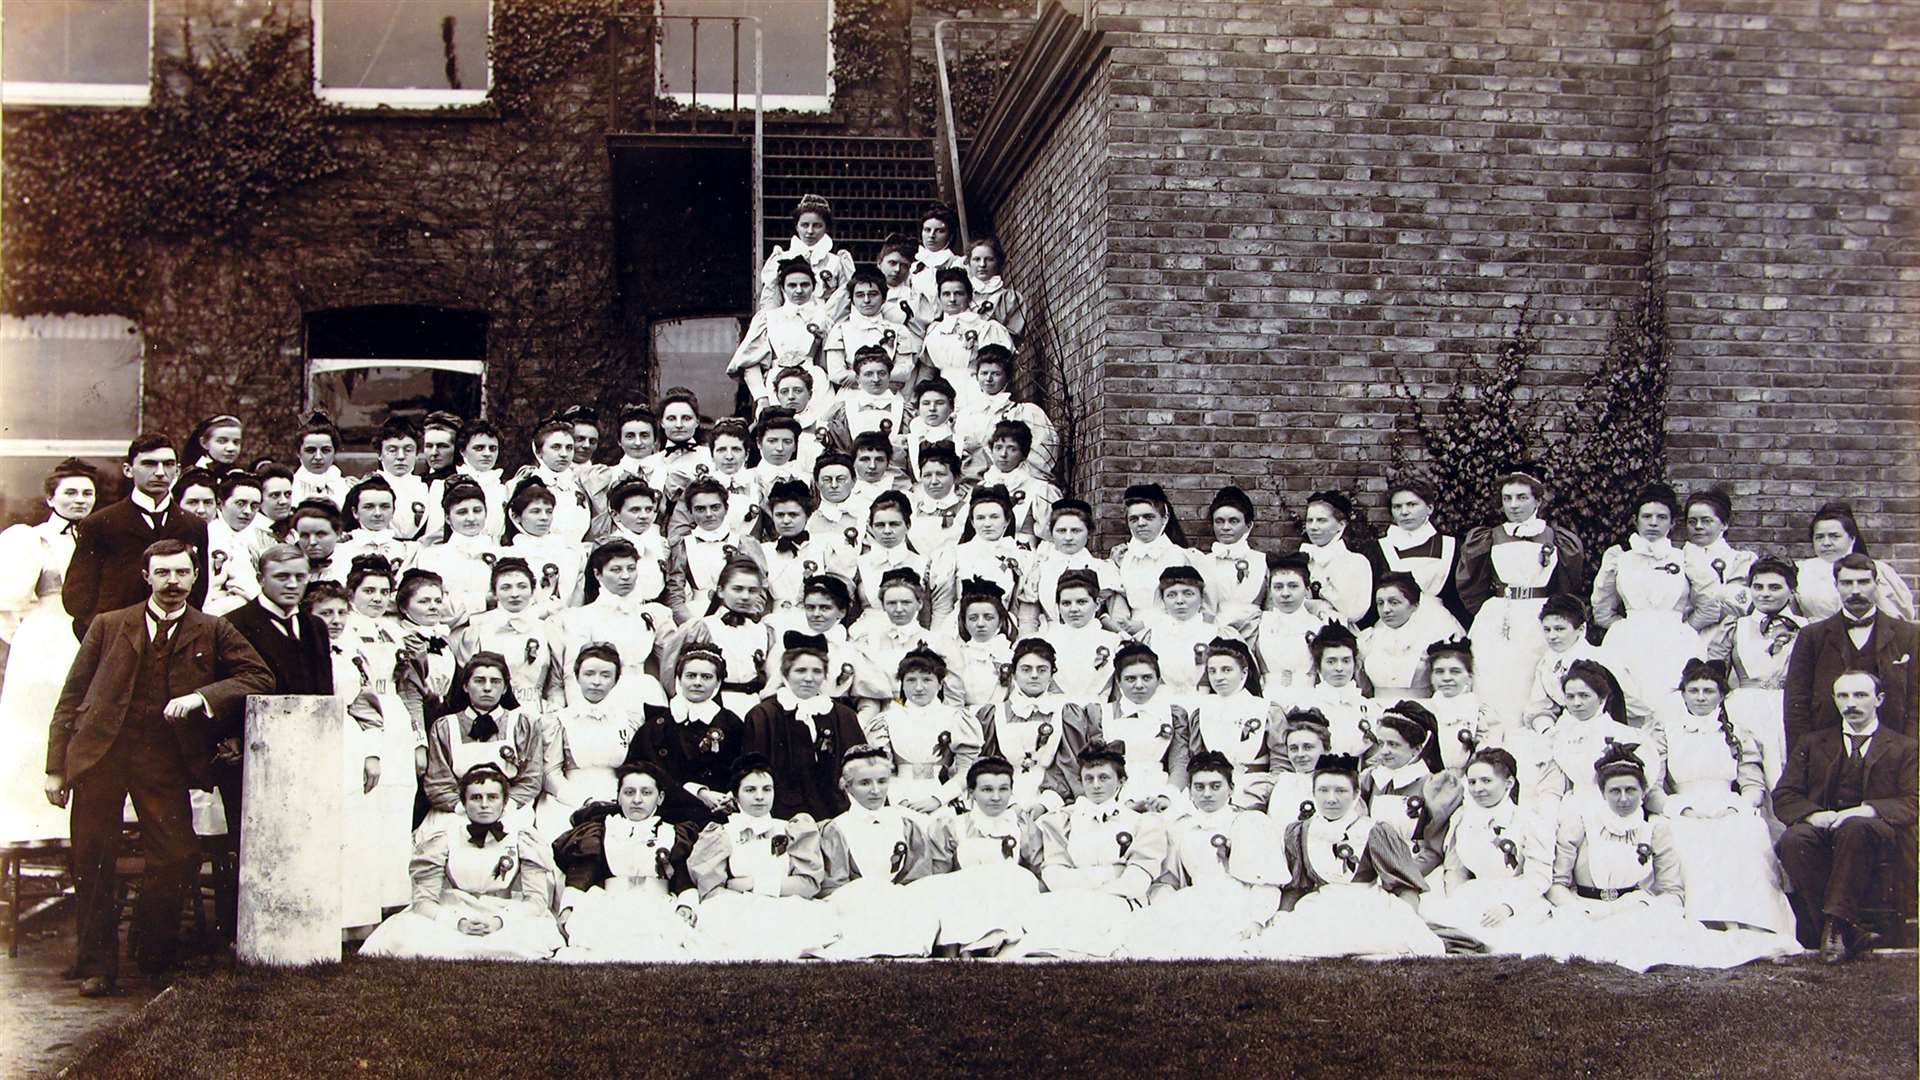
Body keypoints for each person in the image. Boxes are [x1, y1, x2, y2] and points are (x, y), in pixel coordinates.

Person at [45, 539, 274, 995]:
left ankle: (152, 949)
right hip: (100, 756)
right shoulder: (109, 625)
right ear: (146, 577)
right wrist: (56, 767)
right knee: (92, 857)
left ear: (194, 577)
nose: (173, 583)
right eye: (164, 573)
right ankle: (96, 965)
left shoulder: (213, 629)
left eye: (182, 573)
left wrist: (202, 697)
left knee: (177, 854)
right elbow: (71, 697)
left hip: (163, 757)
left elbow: (259, 676)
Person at [1544, 744, 1793, 971]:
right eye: (1614, 791)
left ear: (1643, 793)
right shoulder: (1580, 825)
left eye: (1631, 790)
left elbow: (1672, 891)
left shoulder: (1654, 830)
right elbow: (1558, 883)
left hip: (1633, 910)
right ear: (1602, 793)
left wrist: (1642, 905)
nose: (1623, 799)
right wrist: (1577, 910)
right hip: (1586, 909)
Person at [1773, 670, 1918, 961]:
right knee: (1793, 839)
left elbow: (1914, 800)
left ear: (1879, 699)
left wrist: (1869, 809)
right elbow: (1785, 794)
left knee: (1855, 827)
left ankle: (1835, 928)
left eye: (1860, 695)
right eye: (1843, 696)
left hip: (1882, 832)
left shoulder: (1905, 747)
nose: (1851, 703)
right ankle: (1846, 930)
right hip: (1825, 826)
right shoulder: (1813, 743)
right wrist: (1814, 816)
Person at [1648, 658, 1796, 936]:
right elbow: (1653, 787)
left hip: (1728, 805)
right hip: (1682, 807)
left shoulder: (1737, 731)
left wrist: (1740, 805)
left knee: (1746, 832)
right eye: (1694, 691)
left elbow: (1752, 782)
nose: (1701, 697)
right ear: (1683, 694)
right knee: (1685, 836)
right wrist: (1677, 807)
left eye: (1709, 691)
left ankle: (1749, 920)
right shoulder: (1666, 730)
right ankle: (1704, 920)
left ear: (1721, 695)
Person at [359, 764, 564, 961]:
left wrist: (500, 921)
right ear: (464, 803)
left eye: (492, 797)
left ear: (504, 802)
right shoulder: (442, 838)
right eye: (476, 798)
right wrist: (458, 922)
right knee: (409, 933)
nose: (484, 804)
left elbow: (536, 901)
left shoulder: (523, 838)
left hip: (502, 912)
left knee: (535, 932)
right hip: (455, 910)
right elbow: (423, 901)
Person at [1251, 751, 1443, 959]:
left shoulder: (1375, 831)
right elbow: (1296, 886)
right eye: (1323, 790)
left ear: (1356, 793)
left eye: (1340, 791)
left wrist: (1407, 922)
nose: (1331, 799)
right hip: (1321, 904)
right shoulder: (1299, 831)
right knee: (1287, 942)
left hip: (1368, 904)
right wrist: (1282, 917)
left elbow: (1405, 886)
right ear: (1313, 793)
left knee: (1391, 941)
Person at [0, 458, 98, 843]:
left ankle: (77, 833)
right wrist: (34, 632)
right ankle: (31, 831)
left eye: (87, 493)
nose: (79, 500)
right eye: (70, 492)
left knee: (82, 725)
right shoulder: (30, 539)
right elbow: (10, 600)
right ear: (50, 496)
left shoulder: (100, 537)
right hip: (43, 638)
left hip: (88, 638)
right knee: (37, 726)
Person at [1003, 741, 1169, 958]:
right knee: (1041, 911)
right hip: (1071, 897)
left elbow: (1136, 882)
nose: (1096, 785)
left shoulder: (1144, 823)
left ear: (1122, 781)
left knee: (1092, 915)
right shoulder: (1061, 820)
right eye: (1088, 779)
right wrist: (1112, 872)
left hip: (1119, 900)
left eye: (1104, 778)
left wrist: (1082, 883)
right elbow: (1054, 875)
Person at [1126, 751, 1290, 959]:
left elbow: (1266, 883)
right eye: (1199, 787)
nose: (1207, 794)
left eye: (1215, 786)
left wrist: (1256, 920)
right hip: (1198, 898)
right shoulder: (1181, 827)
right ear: (1191, 792)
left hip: (1239, 901)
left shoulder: (1249, 823)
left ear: (1231, 789)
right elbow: (1170, 880)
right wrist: (1166, 904)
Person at [1455, 464, 1585, 726]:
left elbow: (1568, 585)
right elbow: (1472, 584)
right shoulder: (1488, 538)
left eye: (1522, 497)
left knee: (1533, 678)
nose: (1513, 505)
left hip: (1540, 618)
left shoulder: (1557, 538)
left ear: (1538, 500)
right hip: (1499, 616)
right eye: (1507, 498)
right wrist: (1496, 610)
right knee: (1495, 679)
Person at [685, 754, 839, 960]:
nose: (760, 797)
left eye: (767, 789)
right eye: (750, 790)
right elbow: (712, 891)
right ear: (736, 796)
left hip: (787, 906)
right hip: (736, 908)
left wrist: (751, 884)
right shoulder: (722, 833)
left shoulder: (791, 828)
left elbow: (808, 884)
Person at [549, 761, 704, 962]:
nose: (637, 800)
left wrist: (686, 905)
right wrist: (569, 906)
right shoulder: (602, 832)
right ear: (619, 797)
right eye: (629, 793)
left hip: (656, 904)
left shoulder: (672, 834)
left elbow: (682, 878)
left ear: (660, 798)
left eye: (646, 793)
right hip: (612, 904)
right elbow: (582, 875)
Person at [64, 434, 210, 638]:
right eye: (149, 464)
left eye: (168, 464)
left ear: (177, 470)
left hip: (174, 641)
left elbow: (198, 590)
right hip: (116, 640)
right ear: (128, 470)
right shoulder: (100, 524)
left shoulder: (194, 525)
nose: (160, 473)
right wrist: (102, 638)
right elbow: (77, 597)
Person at [1590, 483, 1719, 698]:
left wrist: (1684, 630)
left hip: (1674, 641)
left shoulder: (1685, 557)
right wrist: (1624, 628)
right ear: (1636, 520)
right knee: (1629, 695)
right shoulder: (1619, 558)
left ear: (1672, 522)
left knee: (1668, 695)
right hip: (1628, 641)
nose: (1653, 522)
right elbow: (1602, 606)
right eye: (1647, 516)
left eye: (1661, 517)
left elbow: (1709, 605)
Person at [1420, 748, 1553, 954]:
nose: (1478, 788)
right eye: (1472, 782)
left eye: (1486, 781)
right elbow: (1457, 869)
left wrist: (1508, 907)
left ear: (1508, 783)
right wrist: (1458, 899)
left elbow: (1539, 876)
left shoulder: (1529, 820)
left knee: (1506, 939)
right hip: (1475, 892)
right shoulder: (1463, 818)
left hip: (1517, 896)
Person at [1782, 551, 1919, 750]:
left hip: (1893, 748)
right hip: (1828, 748)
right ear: (1836, 586)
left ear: (1876, 585)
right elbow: (1797, 700)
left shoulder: (1907, 634)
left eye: (1863, 582)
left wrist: (1912, 748)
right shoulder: (1812, 636)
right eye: (1847, 583)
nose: (1855, 590)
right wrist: (1803, 753)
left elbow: (1916, 699)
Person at [814, 744, 941, 958]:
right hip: (854, 902)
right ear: (847, 786)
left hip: (899, 899)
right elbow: (835, 885)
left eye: (882, 782)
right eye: (865, 783)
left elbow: (917, 877)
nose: (875, 790)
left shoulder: (905, 825)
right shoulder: (836, 829)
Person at [911, 756, 1045, 956]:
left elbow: (1038, 871)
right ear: (972, 793)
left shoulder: (1022, 827)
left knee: (1019, 878)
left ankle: (996, 941)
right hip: (966, 900)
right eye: (987, 790)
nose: (996, 797)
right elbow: (939, 875)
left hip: (1008, 898)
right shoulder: (951, 826)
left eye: (1003, 789)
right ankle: (962, 944)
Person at [741, 631, 868, 820]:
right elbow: (752, 773)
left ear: (825, 675)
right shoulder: (763, 716)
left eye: (817, 671)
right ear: (785, 674)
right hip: (781, 814)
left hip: (836, 812)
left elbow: (863, 768)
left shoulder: (844, 716)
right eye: (800, 671)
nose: (809, 678)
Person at [420, 652, 545, 834]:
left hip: (509, 809)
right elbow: (437, 782)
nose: (487, 688)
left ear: (504, 688)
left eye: (495, 682)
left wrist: (502, 807)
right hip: (457, 811)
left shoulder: (523, 724)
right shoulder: (445, 726)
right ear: (465, 686)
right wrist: (465, 808)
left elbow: (531, 779)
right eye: (479, 681)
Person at [977, 638, 1099, 817]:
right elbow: (985, 764)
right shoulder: (993, 714)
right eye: (1026, 669)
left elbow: (1070, 767)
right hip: (1001, 797)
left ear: (1051, 674)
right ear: (1014, 673)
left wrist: (1046, 803)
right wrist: (1009, 803)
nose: (1034, 675)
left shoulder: (1066, 713)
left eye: (1042, 670)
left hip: (1055, 798)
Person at [1710, 557, 1802, 787]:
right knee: (1749, 765)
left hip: (1789, 705)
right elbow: (1714, 674)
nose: (1765, 594)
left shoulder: (1806, 627)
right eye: (1758, 587)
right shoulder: (1735, 627)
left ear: (1792, 591)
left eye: (1775, 587)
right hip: (1745, 707)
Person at [866, 647, 983, 813]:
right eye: (911, 680)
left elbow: (966, 770)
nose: (919, 687)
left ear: (940, 684)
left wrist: (938, 799)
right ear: (902, 683)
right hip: (897, 796)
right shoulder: (887, 720)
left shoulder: (955, 718)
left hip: (943, 796)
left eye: (927, 680)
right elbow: (880, 769)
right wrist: (899, 799)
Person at [1360, 477, 1468, 630]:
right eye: (1397, 507)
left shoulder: (1451, 546)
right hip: (1392, 627)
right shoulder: (1378, 549)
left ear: (1429, 508)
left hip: (1440, 624)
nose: (1404, 512)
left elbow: (1460, 597)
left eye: (1412, 505)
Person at [1185, 637, 1278, 810]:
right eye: (1212, 671)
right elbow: (1196, 760)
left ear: (1243, 672)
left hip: (1256, 788)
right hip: (1212, 790)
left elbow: (1280, 764)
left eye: (1226, 670)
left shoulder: (1266, 710)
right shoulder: (1201, 712)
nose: (1218, 677)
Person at [1793, 502, 1915, 622]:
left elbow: (1897, 618)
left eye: (1834, 536)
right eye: (1819, 537)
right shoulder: (1800, 571)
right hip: (1816, 638)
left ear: (1852, 539)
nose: (1826, 543)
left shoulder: (1877, 569)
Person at [757, 193, 854, 318]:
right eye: (804, 225)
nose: (810, 231)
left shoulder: (837, 262)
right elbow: (771, 302)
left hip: (827, 325)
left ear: (826, 228)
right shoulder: (781, 259)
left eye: (817, 226)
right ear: (797, 227)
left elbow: (844, 301)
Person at [1252, 553, 1331, 696]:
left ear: (1307, 590)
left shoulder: (1319, 627)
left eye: (1293, 586)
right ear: (1270, 591)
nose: (1285, 593)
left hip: (1309, 700)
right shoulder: (1259, 624)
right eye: (1278, 587)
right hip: (1269, 699)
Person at [1198, 484, 1269, 632]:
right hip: (1212, 631)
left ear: (1248, 525)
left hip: (1252, 631)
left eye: (1233, 521)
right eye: (1219, 521)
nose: (1225, 527)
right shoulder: (1203, 562)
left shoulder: (1261, 561)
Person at [180, 414, 245, 476]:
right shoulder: (192, 475)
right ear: (204, 443)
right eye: (221, 441)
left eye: (236, 442)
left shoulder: (240, 476)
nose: (231, 448)